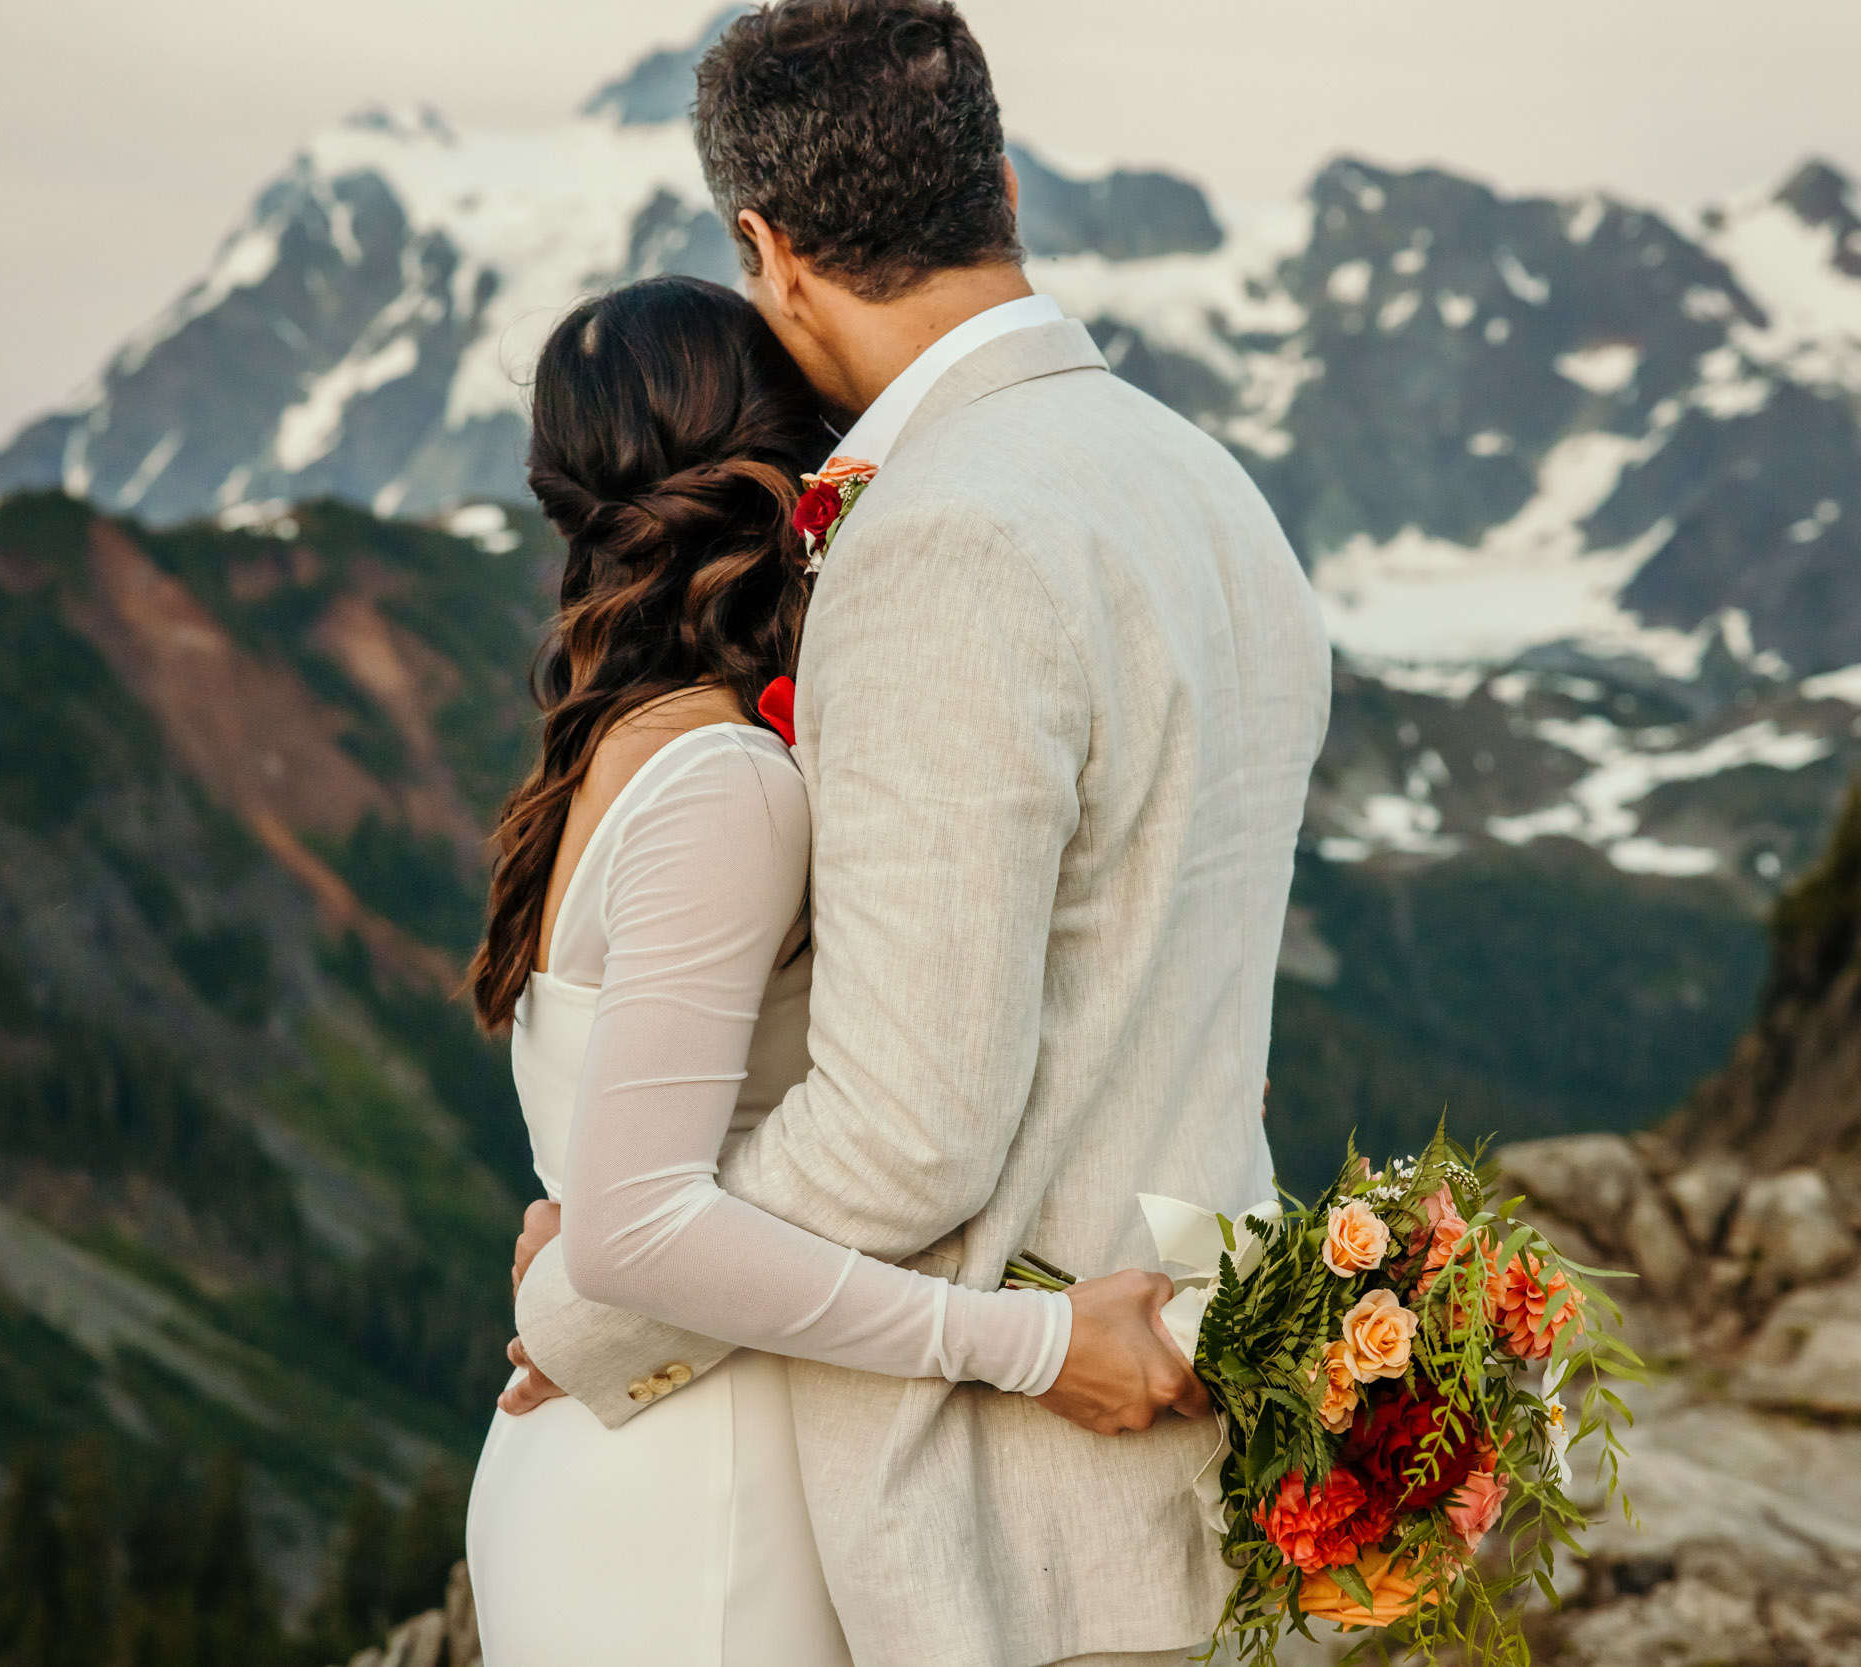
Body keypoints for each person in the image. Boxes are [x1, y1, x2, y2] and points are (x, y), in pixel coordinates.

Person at [479, 4, 1332, 1665]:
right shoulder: (1213, 487)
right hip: (1209, 1453)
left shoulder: (939, 538)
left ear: (766, 251)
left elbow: (909, 1131)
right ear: (1004, 186)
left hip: (1022, 1520)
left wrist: (595, 1283)